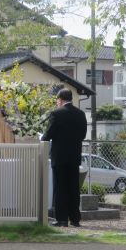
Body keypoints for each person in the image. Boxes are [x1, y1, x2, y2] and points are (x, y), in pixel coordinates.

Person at [41, 88, 87, 227]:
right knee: (73, 188)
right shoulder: (81, 114)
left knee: (60, 188)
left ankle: (61, 219)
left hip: (60, 157)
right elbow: (83, 135)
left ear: (60, 99)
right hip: (74, 157)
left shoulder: (56, 114)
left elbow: (47, 135)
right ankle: (75, 219)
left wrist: (42, 137)